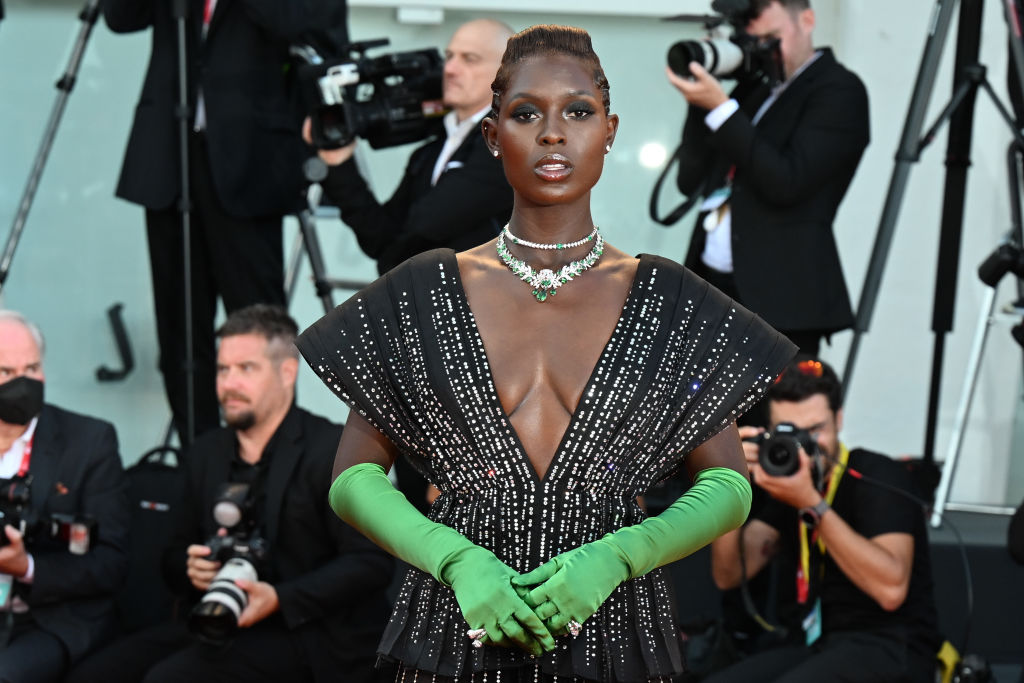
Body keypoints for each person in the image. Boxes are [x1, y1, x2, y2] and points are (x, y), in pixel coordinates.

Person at [297, 25, 796, 681]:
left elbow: (729, 484)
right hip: (450, 633)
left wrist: (621, 554)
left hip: (614, 638)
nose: (553, 134)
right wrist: (454, 558)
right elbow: (354, 477)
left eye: (578, 112)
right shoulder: (422, 288)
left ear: (610, 130)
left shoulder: (670, 298)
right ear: (491, 134)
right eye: (527, 113)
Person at [64, 305, 393, 683]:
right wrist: (191, 568)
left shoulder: (331, 449)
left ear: (287, 372)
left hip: (314, 635)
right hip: (219, 624)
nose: (228, 384)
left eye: (246, 369)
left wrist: (279, 598)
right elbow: (173, 553)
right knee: (92, 675)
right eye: (223, 369)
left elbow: (371, 563)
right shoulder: (205, 452)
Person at [100, 0, 349, 447]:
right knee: (180, 336)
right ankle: (199, 464)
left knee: (257, 327)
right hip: (170, 161)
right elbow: (121, 17)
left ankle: (265, 465)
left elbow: (310, 28)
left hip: (250, 165)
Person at [704, 358, 941, 683]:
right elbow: (728, 575)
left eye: (815, 430)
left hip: (891, 644)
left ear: (839, 419)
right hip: (819, 643)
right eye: (790, 432)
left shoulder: (877, 476)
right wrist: (728, 483)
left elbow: (891, 589)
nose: (805, 446)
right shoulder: (786, 486)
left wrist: (811, 503)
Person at [668, 0, 869, 357]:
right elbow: (690, 181)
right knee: (708, 413)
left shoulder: (839, 90)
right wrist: (701, 102)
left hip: (782, 300)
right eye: (755, 40)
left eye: (773, 37)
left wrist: (721, 109)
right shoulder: (754, 90)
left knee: (776, 413)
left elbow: (787, 182)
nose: (765, 50)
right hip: (712, 291)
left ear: (807, 20)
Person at [314, 18, 515, 276]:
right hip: (422, 305)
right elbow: (380, 237)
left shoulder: (510, 144)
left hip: (482, 309)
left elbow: (429, 224)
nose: (450, 69)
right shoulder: (430, 152)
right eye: (449, 56)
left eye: (470, 59)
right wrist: (340, 164)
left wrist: (389, 263)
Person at [0, 310, 131, 683]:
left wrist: (26, 567)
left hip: (52, 619)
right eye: (6, 373)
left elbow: (112, 562)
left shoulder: (89, 441)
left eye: (32, 368)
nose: (22, 383)